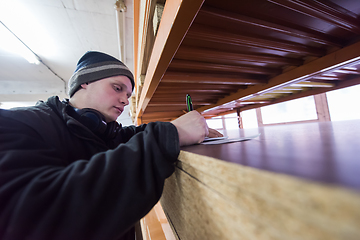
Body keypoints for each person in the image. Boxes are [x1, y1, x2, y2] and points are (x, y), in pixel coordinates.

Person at [0, 51, 222, 240]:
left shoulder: (104, 132)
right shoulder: (16, 124)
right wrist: (171, 134)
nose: (126, 101)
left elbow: (133, 134)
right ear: (83, 83)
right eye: (117, 88)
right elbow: (34, 216)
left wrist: (179, 130)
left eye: (128, 95)